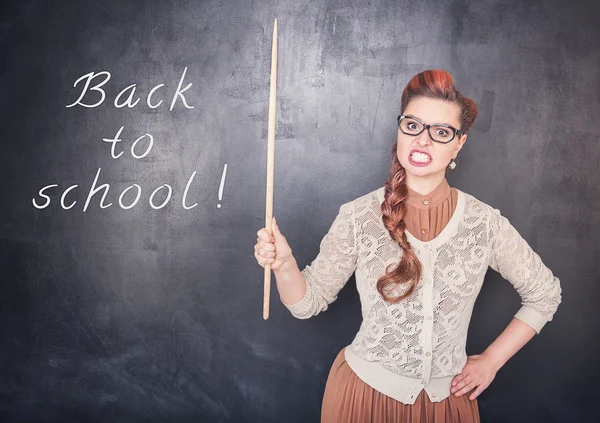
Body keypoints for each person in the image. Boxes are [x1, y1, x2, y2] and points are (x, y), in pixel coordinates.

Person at [253, 69, 562, 423]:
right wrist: (285, 264)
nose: (423, 141)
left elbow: (545, 293)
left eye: (441, 132)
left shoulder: (484, 223)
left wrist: (491, 361)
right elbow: (307, 303)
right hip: (362, 401)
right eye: (413, 125)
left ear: (459, 143)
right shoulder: (358, 216)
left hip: (448, 407)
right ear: (400, 129)